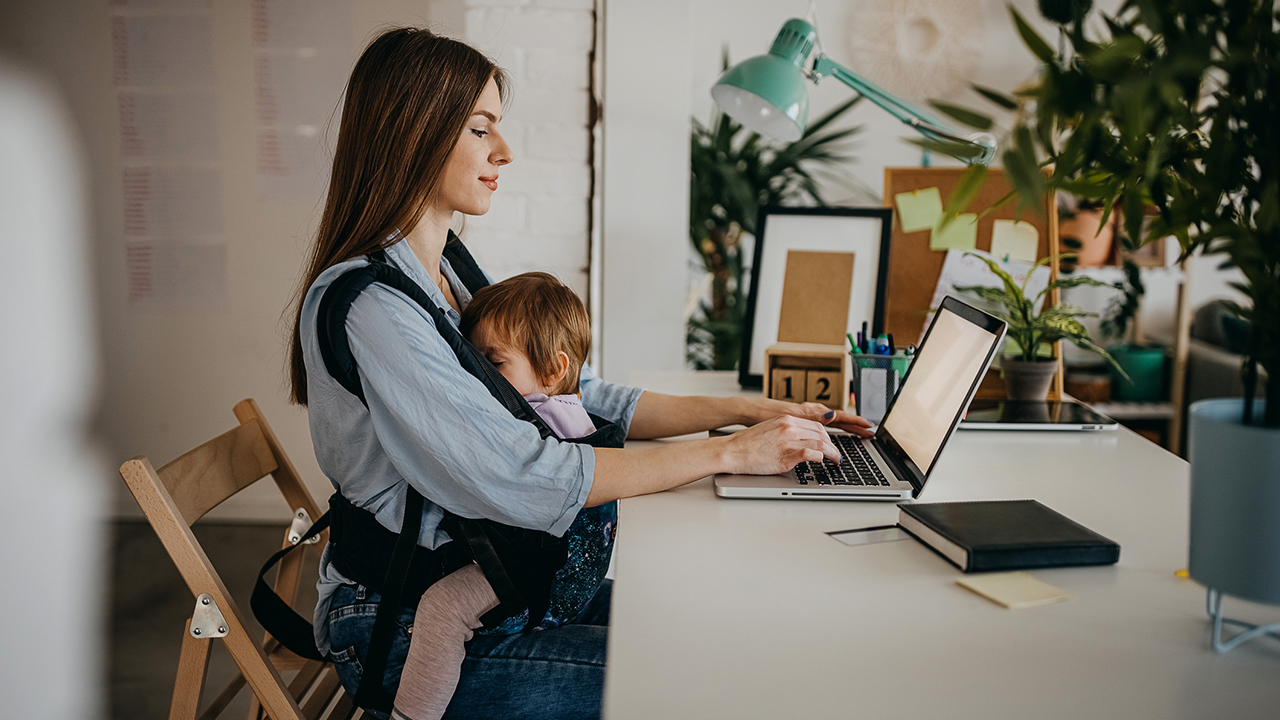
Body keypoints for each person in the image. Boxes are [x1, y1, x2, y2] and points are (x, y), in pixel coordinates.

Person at [287, 27, 872, 720]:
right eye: (482, 130)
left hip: (496, 585)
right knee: (711, 679)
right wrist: (728, 454)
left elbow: (576, 396)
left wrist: (747, 412)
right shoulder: (376, 306)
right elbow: (521, 473)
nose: (505, 152)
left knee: (726, 629)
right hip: (406, 631)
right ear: (415, 133)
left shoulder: (448, 274)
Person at [393, 271, 607, 720]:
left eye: (495, 364)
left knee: (443, 609)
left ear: (553, 370)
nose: (478, 380)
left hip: (526, 569)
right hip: (561, 577)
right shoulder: (578, 415)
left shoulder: (530, 421)